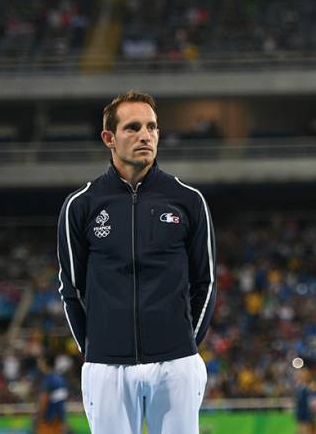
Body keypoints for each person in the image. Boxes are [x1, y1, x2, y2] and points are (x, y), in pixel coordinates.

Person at [57, 91, 217, 434]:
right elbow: (71, 289)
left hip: (176, 364)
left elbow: (206, 282)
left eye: (152, 127)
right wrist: (95, 349)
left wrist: (185, 343)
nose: (146, 135)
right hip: (106, 368)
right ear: (109, 138)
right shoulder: (80, 206)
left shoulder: (188, 201)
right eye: (133, 128)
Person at [35, 353, 69, 434]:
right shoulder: (61, 379)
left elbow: (44, 400)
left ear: (45, 362)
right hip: (59, 419)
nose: (38, 363)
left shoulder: (47, 380)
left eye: (40, 360)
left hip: (48, 420)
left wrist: (39, 418)